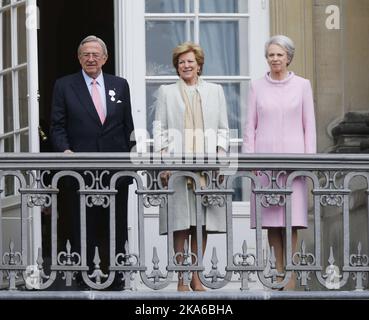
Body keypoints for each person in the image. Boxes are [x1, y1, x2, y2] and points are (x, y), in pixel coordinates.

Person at [50, 35, 136, 289]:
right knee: (82, 224)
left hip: (115, 168)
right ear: (79, 58)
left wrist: (130, 161)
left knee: (115, 224)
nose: (91, 58)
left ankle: (115, 275)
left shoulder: (119, 85)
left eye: (95, 54)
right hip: (80, 169)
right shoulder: (64, 85)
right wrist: (64, 150)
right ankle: (84, 277)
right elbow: (57, 125)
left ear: (105, 58)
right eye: (86, 54)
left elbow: (127, 126)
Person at [153, 42, 229, 291]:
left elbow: (223, 130)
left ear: (199, 65)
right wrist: (163, 164)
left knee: (201, 224)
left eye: (190, 62)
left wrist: (219, 158)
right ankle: (181, 278)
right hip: (177, 166)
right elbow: (160, 130)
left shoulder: (215, 91)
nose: (185, 66)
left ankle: (197, 276)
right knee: (180, 224)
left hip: (207, 168)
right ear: (177, 66)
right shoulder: (167, 92)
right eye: (181, 62)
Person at [242, 35, 316, 290]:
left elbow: (310, 127)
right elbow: (249, 127)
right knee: (271, 222)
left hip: (294, 164)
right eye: (271, 55)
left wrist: (308, 163)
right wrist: (251, 161)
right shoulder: (256, 86)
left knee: (291, 221)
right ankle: (277, 274)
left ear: (288, 57)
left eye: (279, 55)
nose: (275, 59)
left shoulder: (303, 85)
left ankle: (291, 278)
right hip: (265, 164)